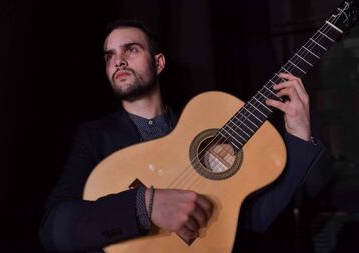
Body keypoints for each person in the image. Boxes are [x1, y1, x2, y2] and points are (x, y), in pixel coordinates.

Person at [39, 19, 324, 252]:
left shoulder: (205, 134)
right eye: (110, 55)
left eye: (131, 50)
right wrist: (144, 206)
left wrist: (298, 135)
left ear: (159, 62)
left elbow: (255, 219)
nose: (119, 61)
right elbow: (55, 229)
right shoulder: (94, 136)